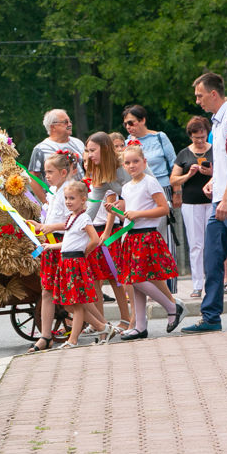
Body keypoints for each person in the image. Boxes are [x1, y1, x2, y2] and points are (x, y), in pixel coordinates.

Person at [183, 73, 227, 334]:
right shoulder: (216, 120)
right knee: (212, 258)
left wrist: (225, 195)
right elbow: (225, 163)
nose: (197, 100)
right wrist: (215, 181)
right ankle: (210, 316)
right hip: (221, 199)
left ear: (214, 94)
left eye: (200, 95)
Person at [108, 146, 184, 340]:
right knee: (135, 282)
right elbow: (129, 213)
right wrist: (115, 210)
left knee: (137, 279)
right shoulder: (126, 187)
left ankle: (172, 307)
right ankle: (140, 326)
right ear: (123, 166)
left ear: (144, 163)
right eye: (127, 162)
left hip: (147, 237)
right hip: (131, 237)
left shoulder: (150, 182)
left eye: (135, 161)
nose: (132, 165)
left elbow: (164, 209)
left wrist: (139, 214)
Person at [42, 182, 114, 349]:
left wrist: (84, 253)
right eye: (66, 198)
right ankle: (103, 327)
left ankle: (73, 340)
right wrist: (51, 246)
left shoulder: (84, 218)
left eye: (72, 198)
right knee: (68, 304)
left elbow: (95, 239)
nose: (68, 201)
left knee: (76, 303)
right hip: (66, 262)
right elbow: (69, 243)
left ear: (83, 200)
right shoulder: (71, 218)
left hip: (75, 263)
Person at [122, 104, 178, 294]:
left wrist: (176, 191)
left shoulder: (159, 137)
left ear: (143, 120)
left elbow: (173, 162)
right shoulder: (128, 143)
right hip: (138, 190)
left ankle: (169, 285)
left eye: (132, 122)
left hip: (160, 186)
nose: (129, 127)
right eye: (126, 124)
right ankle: (150, 286)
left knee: (163, 238)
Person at [25, 151, 76, 352]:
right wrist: (40, 225)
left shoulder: (68, 193)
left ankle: (100, 325)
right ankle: (45, 336)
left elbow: (73, 223)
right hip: (50, 246)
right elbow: (51, 221)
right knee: (47, 291)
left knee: (68, 294)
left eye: (50, 172)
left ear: (63, 172)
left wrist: (51, 228)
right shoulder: (54, 193)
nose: (46, 176)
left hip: (63, 246)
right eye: (45, 172)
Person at [83, 132, 131, 330]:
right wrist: (78, 228)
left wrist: (107, 232)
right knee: (98, 278)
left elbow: (137, 190)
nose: (89, 156)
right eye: (87, 152)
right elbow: (93, 207)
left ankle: (130, 319)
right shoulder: (101, 175)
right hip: (110, 227)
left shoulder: (123, 167)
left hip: (131, 222)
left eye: (92, 150)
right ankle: (102, 323)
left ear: (104, 148)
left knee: (120, 277)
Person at [169, 116, 213, 297]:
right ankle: (197, 284)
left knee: (212, 242)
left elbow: (226, 172)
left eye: (203, 137)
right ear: (191, 136)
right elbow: (173, 179)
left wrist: (211, 172)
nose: (200, 141)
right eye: (196, 138)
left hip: (212, 200)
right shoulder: (184, 154)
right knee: (196, 244)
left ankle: (214, 281)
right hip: (191, 202)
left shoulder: (215, 150)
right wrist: (188, 175)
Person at [28, 109, 86, 202]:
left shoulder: (78, 143)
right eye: (65, 122)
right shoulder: (40, 149)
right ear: (53, 127)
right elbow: (32, 178)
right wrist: (46, 202)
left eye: (70, 121)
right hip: (57, 201)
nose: (70, 124)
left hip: (82, 200)